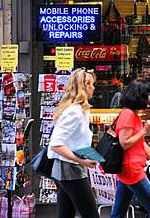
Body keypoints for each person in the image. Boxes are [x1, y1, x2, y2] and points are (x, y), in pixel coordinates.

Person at [110, 79, 150, 218]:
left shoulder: (133, 114)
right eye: (147, 94)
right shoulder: (128, 115)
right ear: (140, 96)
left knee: (118, 213)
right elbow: (124, 143)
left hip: (129, 169)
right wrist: (145, 130)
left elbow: (140, 143)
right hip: (132, 169)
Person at [47, 69, 100, 218]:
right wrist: (81, 160)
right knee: (90, 214)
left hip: (67, 168)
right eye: (92, 84)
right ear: (85, 86)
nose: (94, 88)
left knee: (66, 214)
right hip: (71, 169)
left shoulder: (80, 110)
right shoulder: (74, 112)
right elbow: (56, 144)